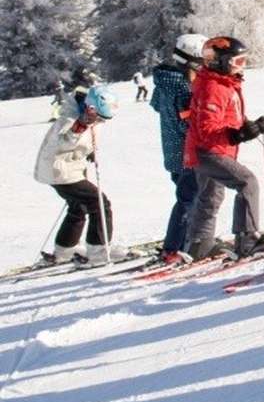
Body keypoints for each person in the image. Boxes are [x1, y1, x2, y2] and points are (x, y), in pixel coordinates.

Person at [182, 36, 264, 260]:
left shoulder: (224, 84)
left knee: (211, 195)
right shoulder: (212, 87)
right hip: (209, 150)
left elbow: (229, 117)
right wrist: (240, 134)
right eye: (238, 61)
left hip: (211, 149)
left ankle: (199, 244)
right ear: (221, 61)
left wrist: (250, 126)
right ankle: (247, 239)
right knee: (247, 182)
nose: (241, 67)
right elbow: (206, 128)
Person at [33, 85, 128, 266]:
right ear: (91, 108)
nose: (101, 121)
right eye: (100, 117)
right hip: (60, 171)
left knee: (78, 207)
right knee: (99, 203)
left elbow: (82, 138)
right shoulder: (70, 118)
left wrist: (88, 150)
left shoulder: (85, 111)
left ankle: (64, 251)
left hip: (65, 168)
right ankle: (99, 250)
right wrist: (80, 126)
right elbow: (62, 142)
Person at [150, 34, 207, 263]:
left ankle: (185, 242)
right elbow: (189, 121)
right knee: (189, 198)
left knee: (190, 196)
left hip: (172, 149)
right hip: (186, 151)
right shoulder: (183, 87)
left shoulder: (166, 82)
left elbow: (156, 105)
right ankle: (173, 247)